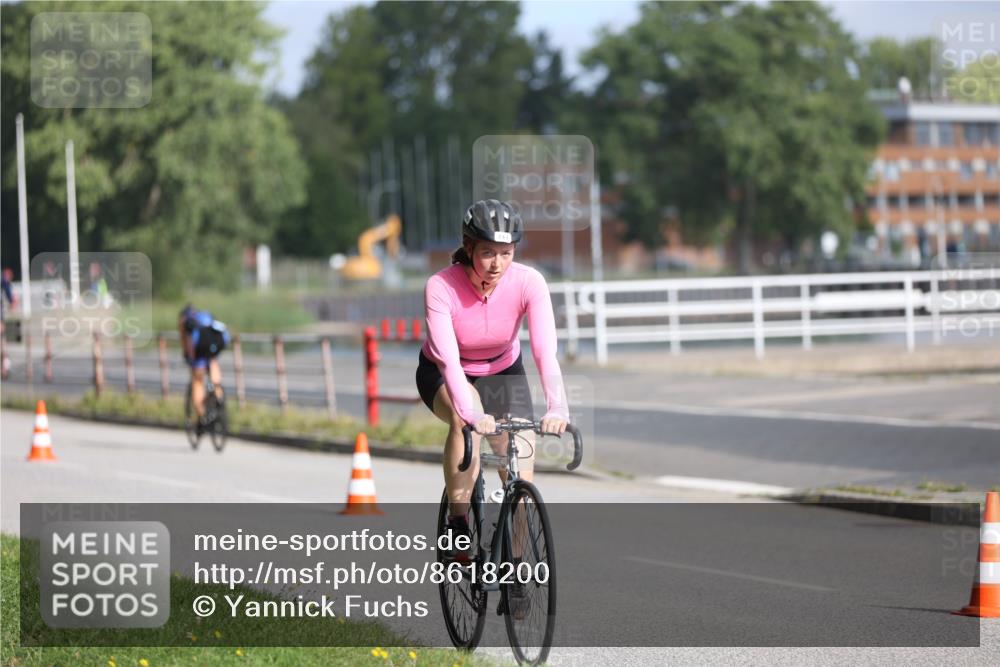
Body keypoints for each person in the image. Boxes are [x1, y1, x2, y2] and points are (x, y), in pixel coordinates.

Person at [416, 199, 570, 610]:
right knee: (463, 426)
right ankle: (460, 523)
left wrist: (557, 408)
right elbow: (448, 359)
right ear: (468, 247)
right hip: (448, 371)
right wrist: (471, 414)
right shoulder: (441, 286)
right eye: (487, 252)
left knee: (520, 465)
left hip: (503, 369)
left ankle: (516, 567)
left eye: (506, 253)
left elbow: (544, 352)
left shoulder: (529, 282)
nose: (497, 263)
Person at [178, 305, 230, 431]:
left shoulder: (184, 320)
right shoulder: (206, 315)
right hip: (217, 342)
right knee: (212, 362)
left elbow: (186, 343)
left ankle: (203, 416)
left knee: (197, 380)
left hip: (199, 347)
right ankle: (218, 395)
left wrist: (188, 358)